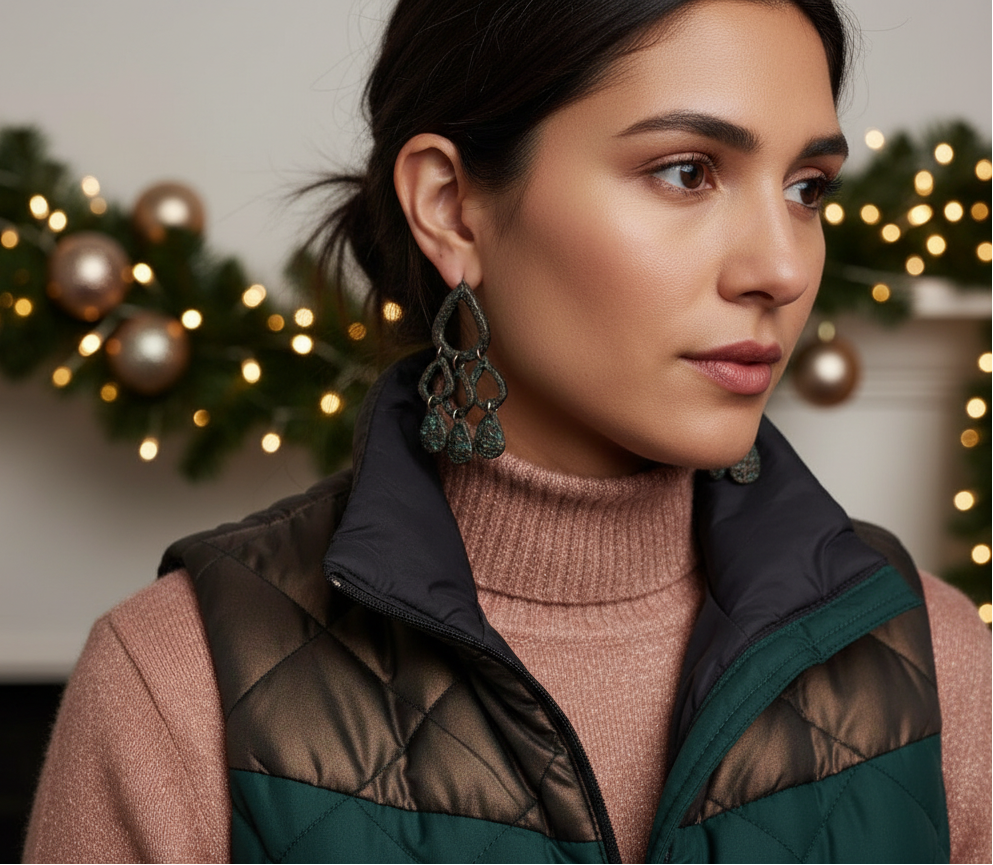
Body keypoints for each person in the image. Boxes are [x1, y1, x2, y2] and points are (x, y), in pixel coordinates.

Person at [24, 0, 991, 862]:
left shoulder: (935, 660)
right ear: (450, 206)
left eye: (807, 187)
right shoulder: (180, 681)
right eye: (687, 172)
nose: (780, 267)